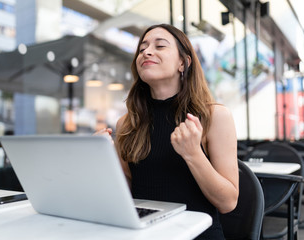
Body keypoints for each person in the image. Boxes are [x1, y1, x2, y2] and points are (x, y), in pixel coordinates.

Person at [98, 23, 238, 239]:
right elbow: (127, 194)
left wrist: (193, 154)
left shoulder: (215, 116)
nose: (146, 51)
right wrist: (105, 161)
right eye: (142, 48)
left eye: (159, 46)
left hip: (197, 234)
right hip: (143, 233)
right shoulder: (126, 123)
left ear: (183, 62)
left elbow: (228, 202)